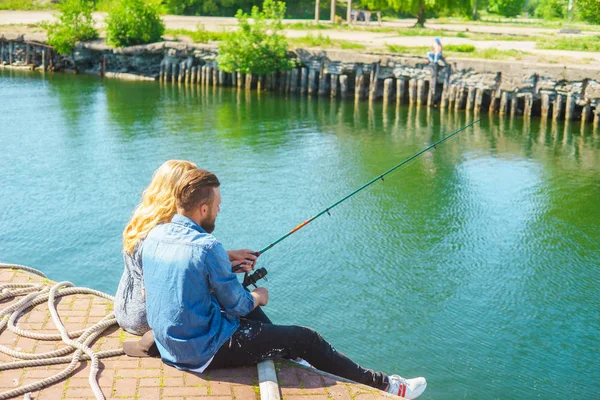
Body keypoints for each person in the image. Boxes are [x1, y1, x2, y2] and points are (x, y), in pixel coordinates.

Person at [141, 167, 427, 399]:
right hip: (201, 351)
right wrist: (259, 297)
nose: (219, 210)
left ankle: (289, 350)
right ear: (203, 209)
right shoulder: (207, 246)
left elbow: (183, 275)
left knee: (268, 324)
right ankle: (386, 385)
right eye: (217, 206)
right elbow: (238, 305)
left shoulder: (155, 234)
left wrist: (224, 266)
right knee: (306, 337)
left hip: (172, 342)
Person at [114, 160, 268, 337]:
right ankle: (279, 349)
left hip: (125, 309)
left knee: (228, 292)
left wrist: (226, 257)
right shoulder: (158, 234)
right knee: (235, 297)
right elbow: (158, 291)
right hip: (146, 318)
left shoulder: (143, 221)